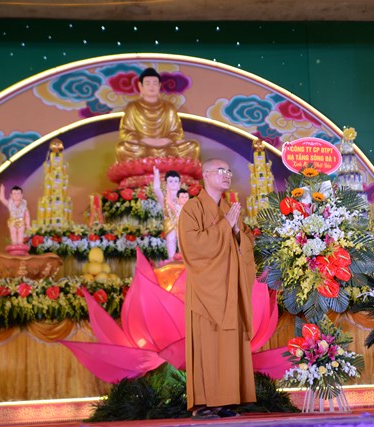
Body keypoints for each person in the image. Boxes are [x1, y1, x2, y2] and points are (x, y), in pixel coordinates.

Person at [178, 159, 256, 419]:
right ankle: (203, 404)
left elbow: (246, 244)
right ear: (206, 175)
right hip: (206, 291)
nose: (227, 175)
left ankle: (225, 401)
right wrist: (225, 226)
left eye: (229, 171)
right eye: (220, 171)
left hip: (229, 288)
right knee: (207, 345)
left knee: (228, 344)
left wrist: (236, 230)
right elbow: (194, 247)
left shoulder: (229, 209)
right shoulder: (192, 208)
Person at [115, 67, 200, 162]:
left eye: (155, 83)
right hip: (142, 147)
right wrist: (142, 140)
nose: (152, 87)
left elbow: (176, 131)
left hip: (166, 146)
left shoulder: (169, 107)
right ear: (140, 86)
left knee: (193, 146)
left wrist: (169, 140)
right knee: (122, 148)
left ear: (159, 85)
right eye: (148, 83)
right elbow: (126, 131)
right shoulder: (133, 107)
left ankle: (171, 164)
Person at [153, 167, 183, 262]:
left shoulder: (183, 197)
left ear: (179, 184)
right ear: (166, 184)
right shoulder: (164, 199)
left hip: (182, 223)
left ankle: (184, 259)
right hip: (169, 222)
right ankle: (172, 259)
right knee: (171, 239)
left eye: (175, 181)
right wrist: (156, 174)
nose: (173, 183)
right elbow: (156, 189)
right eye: (170, 181)